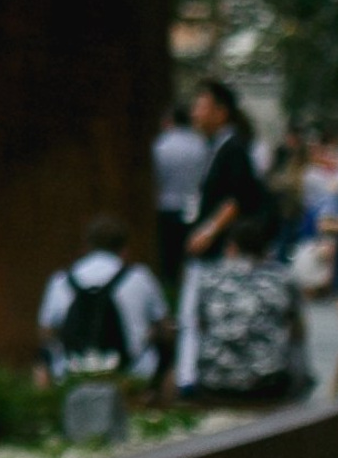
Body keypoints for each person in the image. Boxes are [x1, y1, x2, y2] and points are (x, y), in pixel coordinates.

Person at [175, 211, 307, 401]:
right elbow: (298, 332)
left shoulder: (208, 278)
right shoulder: (283, 279)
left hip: (215, 381)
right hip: (269, 382)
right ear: (265, 250)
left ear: (231, 248)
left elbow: (195, 327)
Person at [37, 214, 170, 384]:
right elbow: (165, 329)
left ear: (85, 247)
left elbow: (45, 332)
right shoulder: (140, 277)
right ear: (124, 249)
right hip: (133, 376)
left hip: (73, 375)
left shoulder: (60, 280)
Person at [183, 78, 272, 269]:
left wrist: (208, 232)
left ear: (220, 113)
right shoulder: (217, 148)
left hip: (224, 249)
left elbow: (236, 199)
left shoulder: (233, 149)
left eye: (200, 107)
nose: (194, 114)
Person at [151, 103, 208, 284]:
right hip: (192, 205)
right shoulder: (200, 145)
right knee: (189, 253)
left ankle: (169, 283)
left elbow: (156, 178)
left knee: (168, 253)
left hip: (166, 204)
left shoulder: (161, 145)